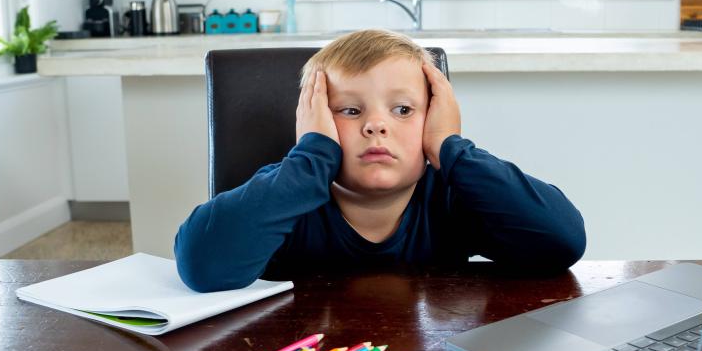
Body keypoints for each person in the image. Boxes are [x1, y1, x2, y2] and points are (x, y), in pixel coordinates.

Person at [174, 29, 586, 292]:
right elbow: (201, 265)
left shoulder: (452, 196)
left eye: (403, 111)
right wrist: (311, 155)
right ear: (313, 122)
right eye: (350, 111)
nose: (376, 125)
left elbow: (561, 241)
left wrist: (449, 146)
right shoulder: (288, 193)